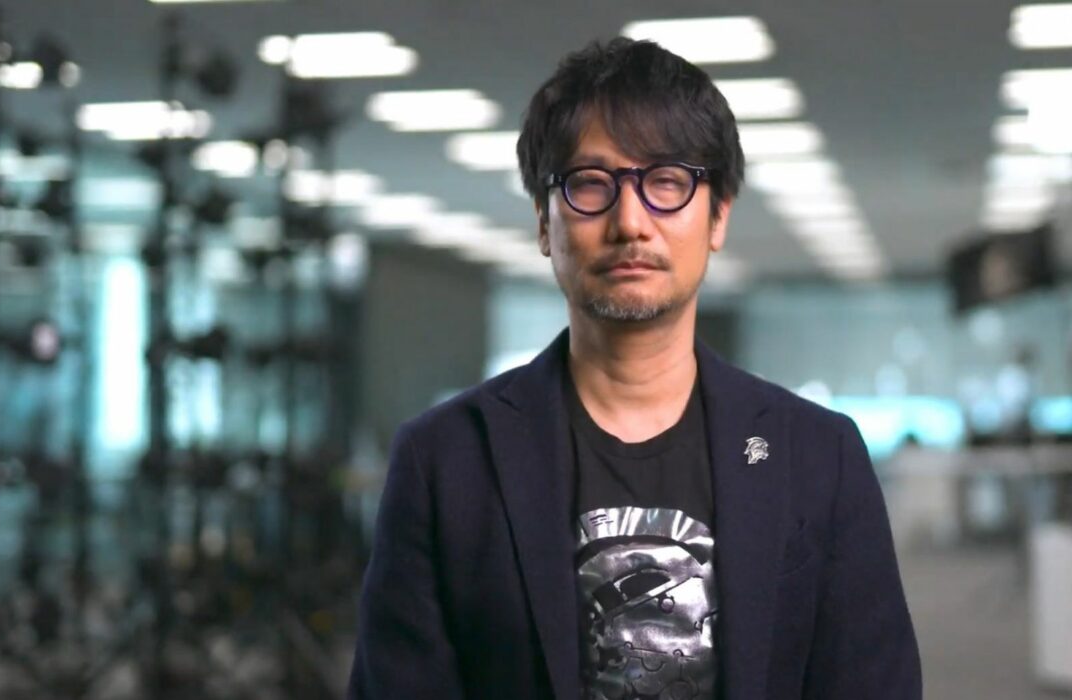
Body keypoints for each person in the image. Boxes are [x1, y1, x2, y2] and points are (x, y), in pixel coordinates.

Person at [349, 37, 921, 700]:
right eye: (591, 184)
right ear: (544, 222)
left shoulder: (819, 455)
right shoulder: (444, 461)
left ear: (718, 216)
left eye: (666, 183)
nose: (630, 222)